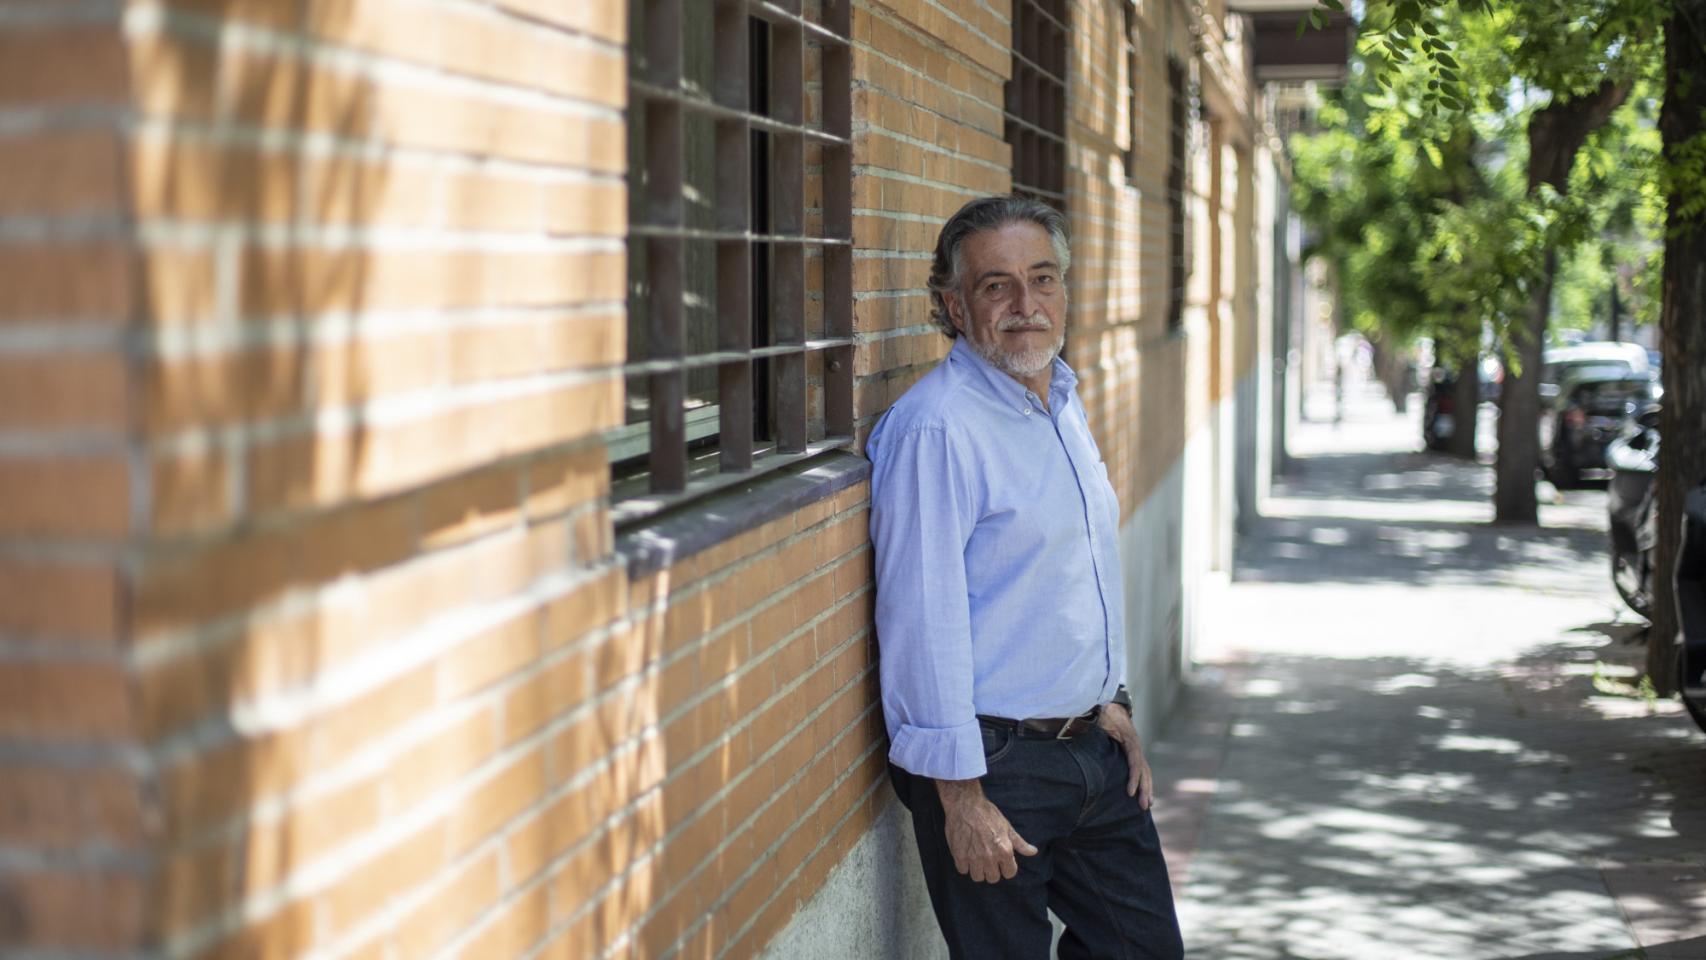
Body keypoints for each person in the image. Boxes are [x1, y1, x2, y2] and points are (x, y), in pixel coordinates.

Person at [866, 195, 1184, 960]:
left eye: (1042, 280)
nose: (1025, 305)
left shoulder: (1060, 401)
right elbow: (921, 617)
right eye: (995, 285)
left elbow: (1077, 573)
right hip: (995, 768)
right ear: (951, 304)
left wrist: (1115, 701)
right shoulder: (937, 428)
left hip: (1092, 754)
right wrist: (960, 796)